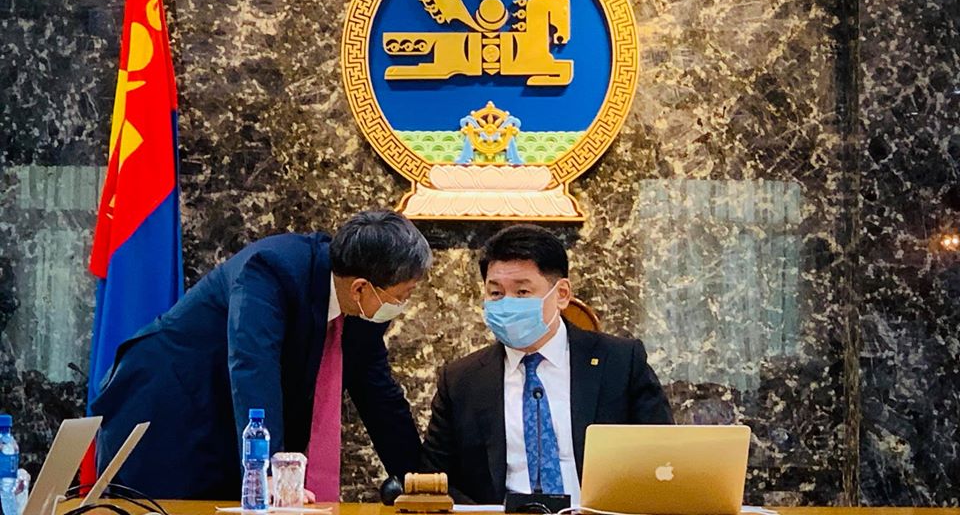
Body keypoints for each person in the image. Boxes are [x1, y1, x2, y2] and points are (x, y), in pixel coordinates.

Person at [91, 210, 431, 500]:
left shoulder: (363, 310)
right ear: (360, 287)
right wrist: (264, 471)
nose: (402, 304)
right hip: (166, 411)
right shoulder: (272, 269)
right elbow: (254, 366)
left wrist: (421, 482)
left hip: (227, 419)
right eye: (403, 295)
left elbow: (379, 395)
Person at [422, 224, 672, 504]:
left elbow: (663, 455)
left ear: (561, 294)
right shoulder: (461, 380)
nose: (507, 304)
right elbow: (436, 476)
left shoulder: (620, 362)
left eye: (522, 292)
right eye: (496, 294)